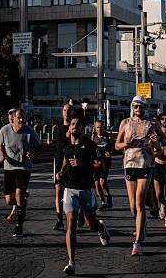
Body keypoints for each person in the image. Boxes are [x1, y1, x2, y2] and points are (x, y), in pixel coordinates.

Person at [56, 115, 110, 275]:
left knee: (91, 223)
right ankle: (71, 262)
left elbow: (100, 164)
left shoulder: (89, 145)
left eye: (77, 124)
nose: (74, 127)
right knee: (71, 223)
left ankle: (101, 227)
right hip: (70, 189)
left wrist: (82, 164)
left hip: (86, 189)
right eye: (72, 124)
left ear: (83, 128)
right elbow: (66, 163)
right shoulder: (66, 146)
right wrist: (60, 173)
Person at [114, 95, 166, 256]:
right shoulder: (125, 123)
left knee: (139, 201)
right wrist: (126, 143)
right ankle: (141, 225)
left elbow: (164, 142)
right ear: (132, 107)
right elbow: (117, 145)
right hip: (129, 165)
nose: (138, 109)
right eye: (135, 106)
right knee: (132, 205)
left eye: (141, 106)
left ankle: (137, 242)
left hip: (146, 164)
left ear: (145, 107)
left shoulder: (152, 123)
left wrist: (156, 141)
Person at [0, 108, 41, 237]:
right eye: (19, 118)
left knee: (19, 194)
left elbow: (39, 147)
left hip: (24, 167)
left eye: (23, 118)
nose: (21, 120)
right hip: (9, 167)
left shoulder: (29, 131)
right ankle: (21, 202)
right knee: (9, 200)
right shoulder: (5, 130)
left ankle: (19, 225)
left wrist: (33, 153)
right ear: (13, 118)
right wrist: (1, 154)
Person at [53, 103, 73, 230]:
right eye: (64, 110)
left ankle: (78, 214)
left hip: (71, 163)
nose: (66, 112)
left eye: (68, 110)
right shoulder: (59, 128)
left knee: (72, 192)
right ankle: (59, 218)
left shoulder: (74, 127)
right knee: (58, 191)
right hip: (59, 162)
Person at [91, 120, 113, 211]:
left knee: (102, 182)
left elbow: (112, 149)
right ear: (95, 128)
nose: (99, 129)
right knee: (97, 184)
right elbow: (91, 149)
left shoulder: (107, 137)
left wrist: (109, 152)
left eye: (101, 127)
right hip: (96, 163)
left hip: (105, 162)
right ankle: (103, 202)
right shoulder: (93, 137)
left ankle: (108, 195)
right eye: (98, 127)